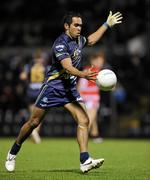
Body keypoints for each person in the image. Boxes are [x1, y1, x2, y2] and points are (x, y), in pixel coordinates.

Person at [5, 11, 123, 173]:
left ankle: (84, 160)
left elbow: (91, 40)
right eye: (76, 25)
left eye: (81, 25)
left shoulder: (79, 40)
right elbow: (67, 67)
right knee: (33, 123)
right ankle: (13, 152)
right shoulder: (60, 43)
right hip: (53, 88)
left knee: (84, 120)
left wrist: (106, 24)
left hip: (69, 90)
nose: (79, 28)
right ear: (67, 26)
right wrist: (84, 75)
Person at [20, 50, 47, 144]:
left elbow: (22, 76)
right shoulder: (45, 67)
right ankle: (35, 133)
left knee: (33, 115)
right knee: (39, 116)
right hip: (40, 92)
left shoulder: (28, 66)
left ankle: (34, 134)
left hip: (30, 92)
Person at [78, 51, 105, 143]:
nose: (100, 63)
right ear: (92, 61)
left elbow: (80, 86)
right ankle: (82, 137)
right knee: (89, 119)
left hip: (86, 98)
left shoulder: (89, 70)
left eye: (102, 61)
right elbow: (82, 86)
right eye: (98, 61)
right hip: (91, 98)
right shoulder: (94, 72)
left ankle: (95, 135)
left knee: (93, 118)